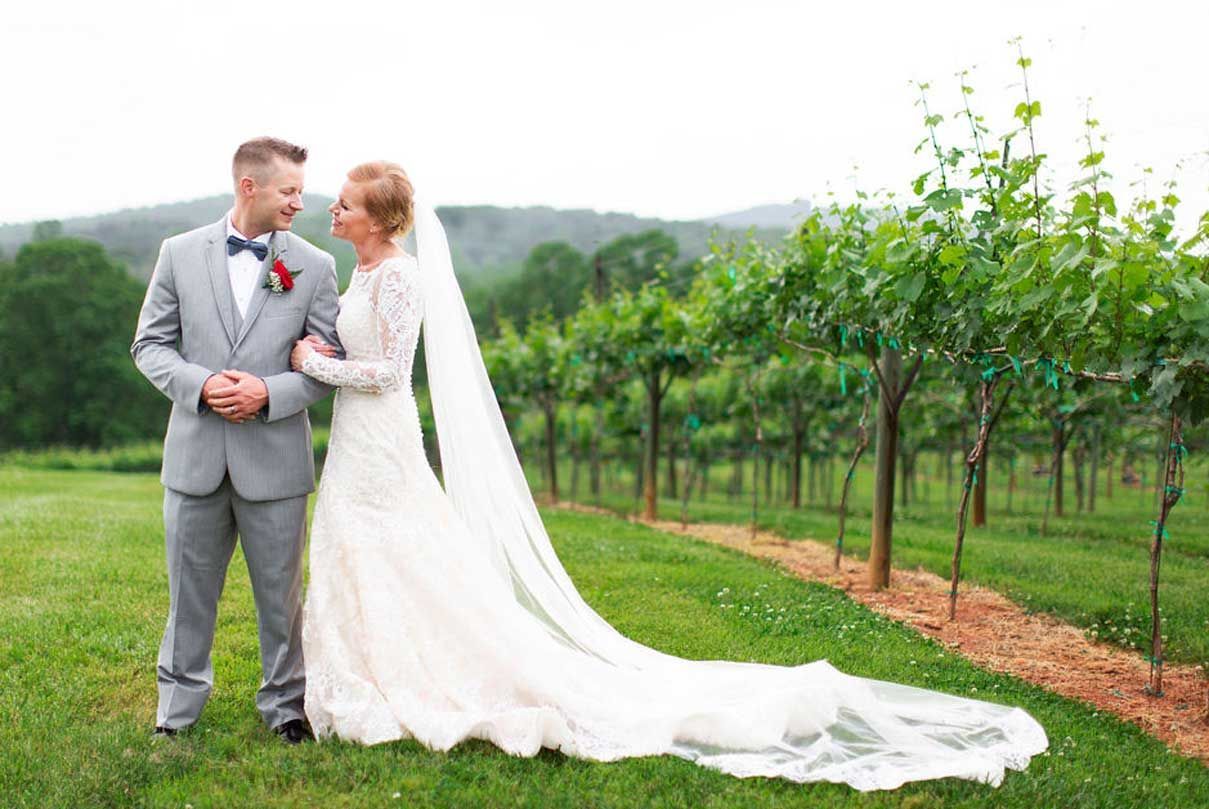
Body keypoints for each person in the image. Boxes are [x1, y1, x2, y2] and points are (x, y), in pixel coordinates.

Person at [291, 160, 1048, 790]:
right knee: (370, 549)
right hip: (356, 439)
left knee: (399, 548)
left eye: (346, 202)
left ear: (381, 219)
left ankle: (417, 676)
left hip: (380, 432)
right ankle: (367, 667)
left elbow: (391, 372)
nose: (333, 207)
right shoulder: (359, 273)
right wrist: (319, 358)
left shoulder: (400, 277)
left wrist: (318, 365)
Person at [131, 137, 341, 744]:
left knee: (282, 599)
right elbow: (149, 345)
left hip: (274, 461)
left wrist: (267, 394)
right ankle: (176, 710)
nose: (299, 202)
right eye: (289, 190)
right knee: (188, 593)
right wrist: (201, 385)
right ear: (250, 186)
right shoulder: (177, 253)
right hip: (195, 458)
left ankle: (285, 708)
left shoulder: (314, 266)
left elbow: (326, 366)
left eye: (301, 190)